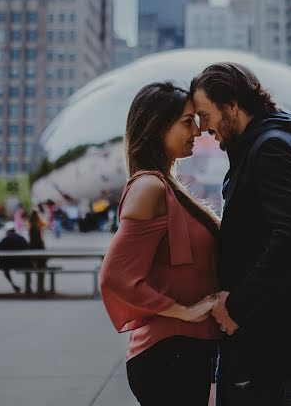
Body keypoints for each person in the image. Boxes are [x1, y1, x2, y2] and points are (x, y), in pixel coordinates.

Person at [190, 62, 291, 405]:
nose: (203, 128)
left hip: (268, 339)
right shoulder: (273, 142)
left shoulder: (271, 148)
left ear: (232, 104)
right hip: (267, 335)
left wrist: (236, 306)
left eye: (205, 114)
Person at [99, 81, 221, 406]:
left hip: (187, 351)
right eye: (186, 122)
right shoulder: (149, 187)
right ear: (157, 125)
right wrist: (183, 311)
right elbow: (115, 277)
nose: (197, 131)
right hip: (169, 354)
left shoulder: (168, 186)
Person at [0, 223, 30, 293]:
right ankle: (28, 286)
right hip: (23, 263)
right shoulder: (21, 238)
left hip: (8, 264)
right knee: (29, 269)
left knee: (4, 268)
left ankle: (13, 285)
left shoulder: (6, 239)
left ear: (8, 232)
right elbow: (28, 248)